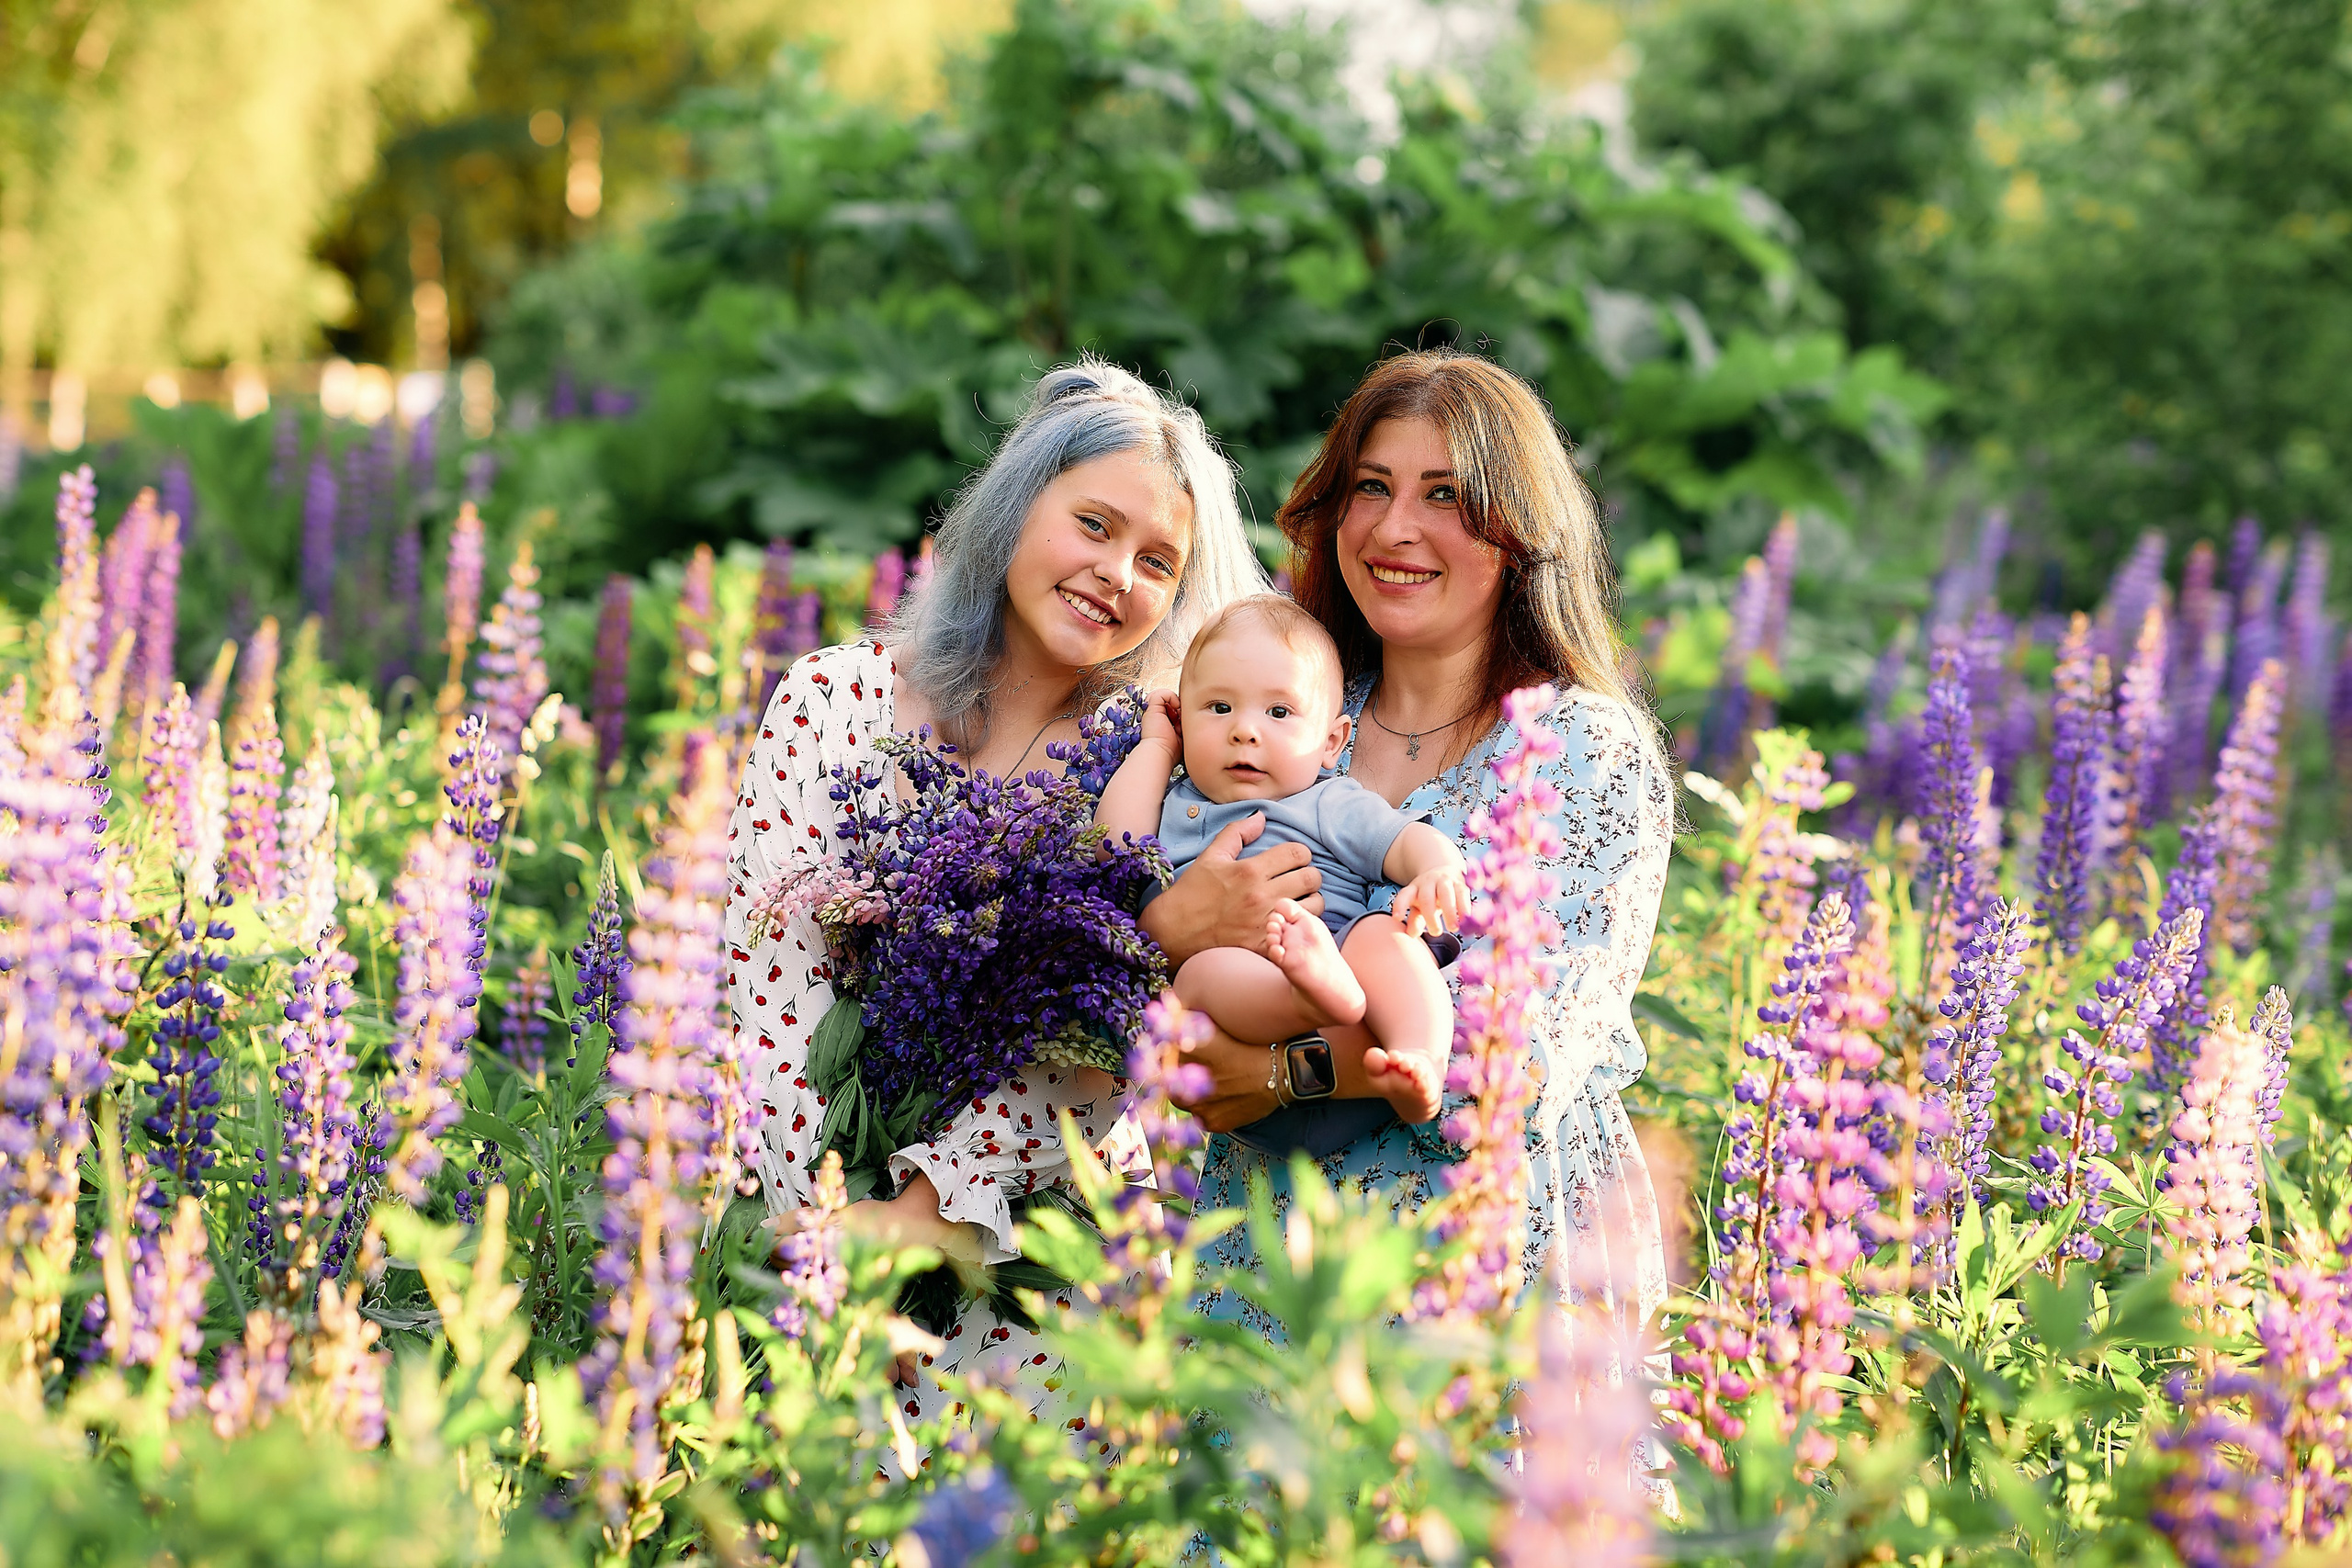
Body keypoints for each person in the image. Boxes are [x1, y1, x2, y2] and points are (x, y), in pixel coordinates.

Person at [727, 357, 1262, 1422]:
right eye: (1095, 526)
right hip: (795, 1251)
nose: (1118, 573)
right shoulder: (834, 701)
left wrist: (928, 1217)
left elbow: (1105, 1020)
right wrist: (834, 1242)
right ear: (1019, 509)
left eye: (1158, 560)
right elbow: (764, 991)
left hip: (1031, 1260)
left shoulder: (1147, 763)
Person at [1138, 348, 1676, 1338]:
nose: (1395, 528)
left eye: (1446, 496)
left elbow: (1515, 1054)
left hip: (1479, 1272)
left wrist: (1272, 1073)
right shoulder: (1284, 706)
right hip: (1264, 1257)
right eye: (1372, 487)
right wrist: (1175, 923)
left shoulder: (1579, 749)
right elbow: (1132, 965)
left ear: (1519, 532)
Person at [1094, 594, 1465, 1149]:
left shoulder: (1329, 802)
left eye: (1278, 712)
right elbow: (1113, 845)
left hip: (1347, 1035)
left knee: (1384, 936)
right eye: (1218, 708)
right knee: (1198, 977)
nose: (1245, 731)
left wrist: (1435, 868)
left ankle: (1419, 1058)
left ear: (1332, 742)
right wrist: (1155, 744)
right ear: (1184, 719)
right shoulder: (1179, 804)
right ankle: (1305, 996)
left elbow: (1404, 840)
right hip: (1245, 1060)